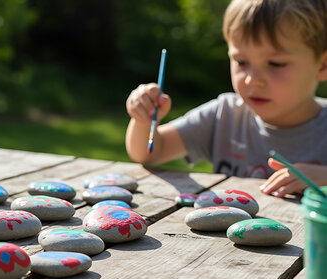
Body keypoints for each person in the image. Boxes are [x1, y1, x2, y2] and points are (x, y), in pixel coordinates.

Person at [125, 0, 327, 198]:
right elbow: (148, 153)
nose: (252, 80)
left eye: (275, 63)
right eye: (241, 61)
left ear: (322, 65)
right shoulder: (223, 115)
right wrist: (143, 120)